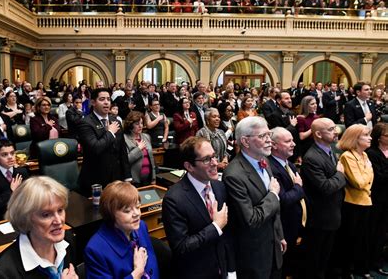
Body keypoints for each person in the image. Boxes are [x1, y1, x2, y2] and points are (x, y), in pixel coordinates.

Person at [162, 136, 235, 278]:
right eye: (207, 159)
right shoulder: (174, 199)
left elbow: (228, 235)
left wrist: (231, 268)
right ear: (189, 166)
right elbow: (181, 247)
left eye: (214, 156)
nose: (215, 163)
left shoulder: (219, 187)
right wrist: (215, 227)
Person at [223, 116, 285, 279]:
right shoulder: (234, 175)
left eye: (269, 135)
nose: (269, 141)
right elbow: (250, 219)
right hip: (253, 255)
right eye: (262, 136)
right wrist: (272, 195)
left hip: (273, 246)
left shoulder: (264, 160)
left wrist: (279, 235)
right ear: (245, 141)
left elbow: (275, 209)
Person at [0, 176, 79, 278]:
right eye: (46, 215)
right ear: (25, 220)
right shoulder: (3, 273)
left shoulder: (67, 242)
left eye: (60, 210)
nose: (59, 221)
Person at [299, 117, 346, 279]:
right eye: (331, 129)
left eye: (335, 128)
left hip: (332, 213)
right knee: (315, 260)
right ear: (318, 134)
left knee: (325, 258)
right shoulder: (312, 157)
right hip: (320, 217)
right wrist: (341, 175)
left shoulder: (329, 150)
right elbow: (326, 187)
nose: (336, 132)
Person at [84, 181, 159, 278]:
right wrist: (137, 273)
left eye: (137, 207)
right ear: (111, 213)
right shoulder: (95, 249)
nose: (136, 213)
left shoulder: (141, 227)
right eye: (127, 211)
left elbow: (153, 266)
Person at [334, 124, 373, 278]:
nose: (370, 138)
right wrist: (367, 172)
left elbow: (369, 180)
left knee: (362, 239)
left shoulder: (365, 156)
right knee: (349, 240)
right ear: (355, 139)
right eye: (366, 135)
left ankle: (357, 268)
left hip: (365, 200)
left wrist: (366, 175)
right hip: (352, 203)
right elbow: (359, 182)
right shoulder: (347, 156)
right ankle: (345, 271)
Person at [76, 88, 131, 196]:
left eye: (108, 99)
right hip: (95, 179)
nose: (106, 102)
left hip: (116, 177)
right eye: (102, 99)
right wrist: (110, 132)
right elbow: (95, 148)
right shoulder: (85, 123)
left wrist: (127, 176)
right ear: (93, 102)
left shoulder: (115, 121)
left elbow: (122, 150)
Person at [268, 127, 306, 278]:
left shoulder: (288, 164)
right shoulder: (272, 167)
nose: (293, 144)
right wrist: (298, 187)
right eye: (288, 141)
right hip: (284, 227)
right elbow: (283, 200)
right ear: (274, 145)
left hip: (296, 224)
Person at [0, 139, 29, 223]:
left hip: (23, 216)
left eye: (12, 153)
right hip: (1, 220)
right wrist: (10, 191)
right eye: (4, 155)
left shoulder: (22, 172)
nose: (10, 157)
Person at [366, 123, 388, 276]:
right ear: (379, 138)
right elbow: (379, 177)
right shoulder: (372, 153)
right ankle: (371, 262)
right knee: (375, 232)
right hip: (377, 198)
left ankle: (380, 259)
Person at [123, 111, 156, 187]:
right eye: (137, 124)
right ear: (130, 125)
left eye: (141, 123)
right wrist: (138, 148)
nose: (140, 126)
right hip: (134, 181)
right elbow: (126, 160)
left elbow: (151, 159)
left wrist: (153, 178)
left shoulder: (146, 137)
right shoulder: (124, 138)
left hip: (148, 179)